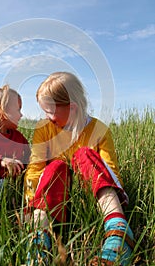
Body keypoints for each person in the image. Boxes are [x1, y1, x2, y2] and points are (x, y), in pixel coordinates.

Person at [24, 72, 134, 265]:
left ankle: (119, 230)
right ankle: (39, 240)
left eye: (50, 111)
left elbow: (111, 171)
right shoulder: (44, 130)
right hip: (54, 199)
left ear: (72, 108)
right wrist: (29, 200)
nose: (46, 117)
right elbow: (35, 168)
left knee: (84, 155)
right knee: (55, 166)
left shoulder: (98, 130)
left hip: (94, 197)